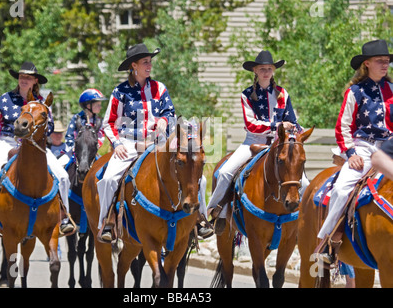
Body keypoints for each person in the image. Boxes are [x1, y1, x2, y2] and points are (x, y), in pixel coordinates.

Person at [99, 43, 211, 241]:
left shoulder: (160, 88)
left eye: (150, 62)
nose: (149, 66)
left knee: (197, 176)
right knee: (108, 180)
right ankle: (107, 222)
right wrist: (117, 145)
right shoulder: (120, 92)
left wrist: (164, 120)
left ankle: (200, 218)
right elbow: (108, 122)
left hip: (158, 144)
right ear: (134, 66)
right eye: (145, 62)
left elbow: (170, 112)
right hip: (129, 145)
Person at [0, 61, 75, 235]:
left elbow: (51, 126)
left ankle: (64, 218)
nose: (24, 80)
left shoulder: (43, 103)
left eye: (28, 77)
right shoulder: (5, 99)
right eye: (22, 76)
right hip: (7, 142)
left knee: (62, 176)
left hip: (34, 145)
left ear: (35, 81)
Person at [207, 50, 306, 233]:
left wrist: (297, 130)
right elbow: (251, 125)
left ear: (273, 71)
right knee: (225, 172)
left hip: (278, 145)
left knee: (305, 182)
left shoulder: (282, 94)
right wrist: (278, 125)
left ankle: (303, 222)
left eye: (269, 68)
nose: (266, 72)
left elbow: (291, 118)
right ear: (255, 71)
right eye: (262, 69)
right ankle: (215, 214)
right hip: (252, 143)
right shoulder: (246, 95)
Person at [317, 39, 393, 264]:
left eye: (387, 61)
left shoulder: (392, 90)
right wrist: (351, 154)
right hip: (363, 147)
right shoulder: (355, 91)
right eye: (380, 61)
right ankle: (327, 242)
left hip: (390, 148)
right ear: (367, 64)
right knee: (341, 189)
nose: (385, 64)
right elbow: (343, 126)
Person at [60, 88, 107, 167]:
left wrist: (94, 147)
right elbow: (69, 136)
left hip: (91, 152)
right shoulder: (76, 118)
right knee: (58, 166)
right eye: (98, 105)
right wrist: (73, 147)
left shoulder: (99, 121)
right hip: (73, 152)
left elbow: (100, 136)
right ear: (88, 105)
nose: (100, 107)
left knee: (104, 168)